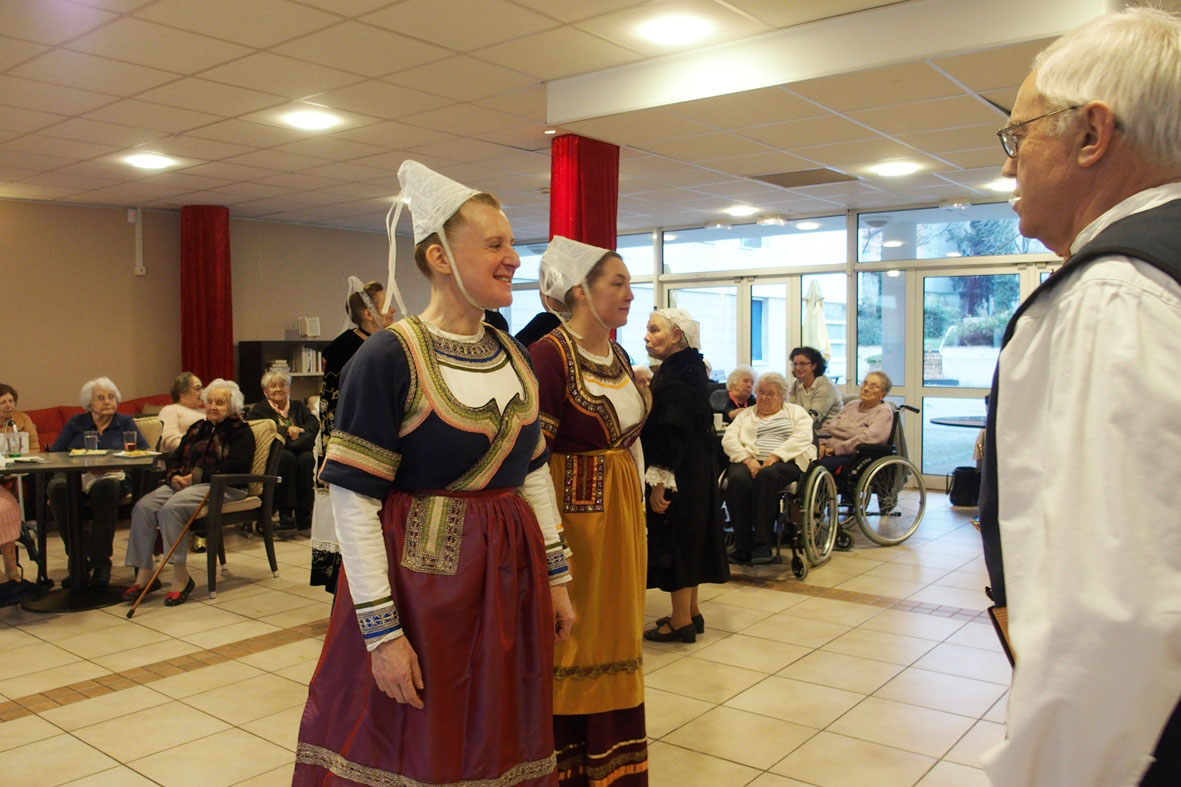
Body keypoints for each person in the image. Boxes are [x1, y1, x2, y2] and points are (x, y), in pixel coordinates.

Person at [295, 160, 574, 787]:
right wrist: (381, 633)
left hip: (508, 578)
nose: (512, 259)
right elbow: (354, 501)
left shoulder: (515, 356)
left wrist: (557, 576)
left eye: (512, 244)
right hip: (421, 587)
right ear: (441, 257)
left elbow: (533, 476)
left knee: (497, 731)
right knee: (420, 738)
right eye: (495, 244)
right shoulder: (388, 356)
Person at [977, 9, 1181, 785]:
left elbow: (1112, 610)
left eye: (1017, 136)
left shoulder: (1118, 295)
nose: (1006, 168)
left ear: (1091, 134)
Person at [530, 235, 651, 784]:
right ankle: (569, 765)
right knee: (576, 642)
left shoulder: (619, 353)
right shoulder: (550, 356)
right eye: (617, 282)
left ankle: (614, 762)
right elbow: (533, 462)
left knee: (619, 633)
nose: (630, 293)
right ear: (580, 290)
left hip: (620, 517)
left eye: (628, 282)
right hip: (576, 523)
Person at [122, 379, 254, 606]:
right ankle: (144, 575)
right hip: (185, 483)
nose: (212, 406)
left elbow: (237, 465)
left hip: (223, 486)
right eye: (209, 401)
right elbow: (175, 457)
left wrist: (196, 476)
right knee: (143, 507)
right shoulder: (198, 428)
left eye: (220, 403)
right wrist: (173, 475)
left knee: (171, 509)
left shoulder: (240, 431)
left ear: (232, 406)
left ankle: (181, 577)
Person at [642, 308, 730, 643]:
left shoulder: (676, 375)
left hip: (679, 470)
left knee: (677, 539)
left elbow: (671, 430)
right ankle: (691, 611)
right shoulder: (691, 366)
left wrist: (660, 481)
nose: (647, 337)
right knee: (692, 538)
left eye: (654, 330)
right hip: (697, 467)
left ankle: (680, 622)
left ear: (677, 335)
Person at [310, 277, 394, 592]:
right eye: (386, 304)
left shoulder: (389, 343)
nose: (394, 309)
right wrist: (334, 456)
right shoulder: (345, 349)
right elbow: (331, 405)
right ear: (369, 313)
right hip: (351, 445)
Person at [47, 377, 147, 588]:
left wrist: (118, 462)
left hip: (114, 475)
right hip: (77, 475)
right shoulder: (76, 423)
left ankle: (101, 563)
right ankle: (78, 561)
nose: (107, 402)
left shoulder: (125, 422)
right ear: (89, 404)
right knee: (57, 489)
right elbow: (55, 454)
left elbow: (144, 452)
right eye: (100, 398)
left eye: (111, 397)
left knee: (105, 489)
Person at [721, 372, 815, 566]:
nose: (763, 397)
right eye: (760, 392)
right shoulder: (746, 415)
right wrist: (747, 459)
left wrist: (776, 455)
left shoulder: (796, 413)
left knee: (766, 476)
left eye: (770, 394)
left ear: (782, 396)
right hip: (750, 460)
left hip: (786, 461)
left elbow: (803, 437)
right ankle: (743, 545)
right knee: (737, 479)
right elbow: (729, 439)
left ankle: (763, 543)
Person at [247, 369, 318, 529]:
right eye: (273, 386)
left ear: (288, 388)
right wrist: (288, 432)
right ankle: (285, 512)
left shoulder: (298, 406)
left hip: (300, 450)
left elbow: (313, 425)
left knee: (307, 459)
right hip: (274, 453)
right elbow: (261, 434)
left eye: (282, 385)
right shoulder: (259, 410)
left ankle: (304, 513)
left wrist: (298, 430)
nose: (278, 389)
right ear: (266, 391)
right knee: (286, 458)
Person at [817, 371, 893, 469]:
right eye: (865, 384)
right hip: (827, 449)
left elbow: (869, 438)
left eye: (873, 386)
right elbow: (827, 427)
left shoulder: (883, 412)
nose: (865, 388)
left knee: (818, 466)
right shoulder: (852, 405)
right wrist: (822, 444)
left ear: (883, 394)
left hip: (853, 455)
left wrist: (835, 449)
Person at [788, 346, 843, 430]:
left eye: (802, 364)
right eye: (795, 364)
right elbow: (789, 409)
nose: (798, 368)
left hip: (826, 434)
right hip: (805, 430)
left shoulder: (826, 386)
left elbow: (812, 419)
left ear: (814, 365)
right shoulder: (797, 384)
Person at [158, 372, 205, 453]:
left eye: (202, 388)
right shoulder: (170, 411)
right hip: (186, 458)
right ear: (182, 393)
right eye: (197, 388)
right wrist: (198, 449)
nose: (202, 392)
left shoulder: (206, 411)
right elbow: (169, 442)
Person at [0, 383, 40, 453]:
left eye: (11, 401)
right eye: (3, 402)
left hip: (20, 461)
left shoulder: (23, 418)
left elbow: (35, 448)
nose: (8, 406)